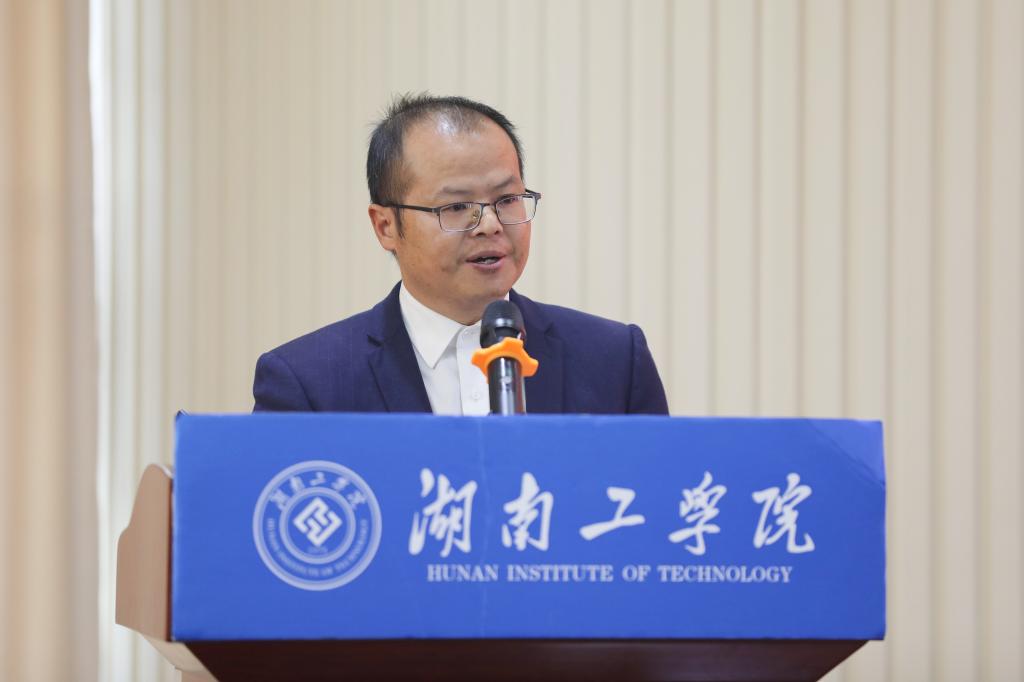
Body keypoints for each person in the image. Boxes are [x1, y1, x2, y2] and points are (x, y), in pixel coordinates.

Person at [253, 94, 668, 415]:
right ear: (385, 226)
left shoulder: (614, 360)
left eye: (508, 199)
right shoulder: (309, 383)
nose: (490, 224)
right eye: (455, 206)